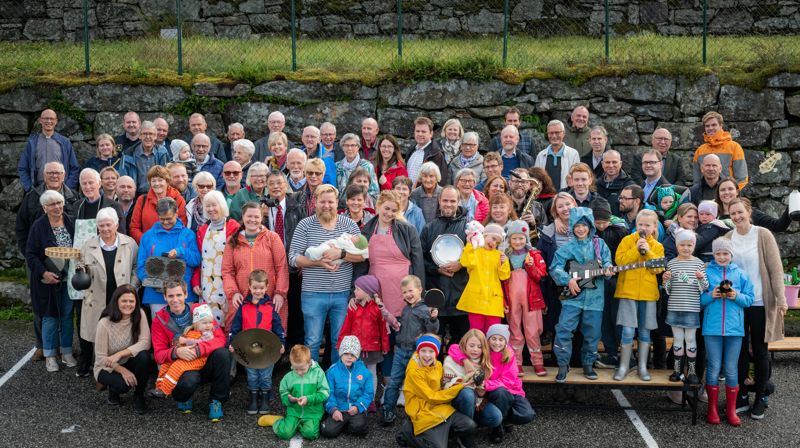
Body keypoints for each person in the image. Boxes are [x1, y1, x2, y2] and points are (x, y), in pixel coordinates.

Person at [724, 198, 787, 420]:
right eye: (732, 214)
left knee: (760, 351)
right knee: (738, 350)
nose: (737, 217)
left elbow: (775, 269)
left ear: (749, 212)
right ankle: (741, 394)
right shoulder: (728, 238)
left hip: (760, 301)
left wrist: (781, 299)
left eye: (740, 212)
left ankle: (760, 397)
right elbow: (721, 266)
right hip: (737, 303)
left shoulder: (763, 235)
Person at [289, 185, 363, 364]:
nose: (327, 205)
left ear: (338, 203)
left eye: (331, 201)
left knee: (339, 341)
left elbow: (363, 254)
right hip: (313, 293)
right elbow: (292, 258)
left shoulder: (349, 225)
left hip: (342, 293)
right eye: (322, 201)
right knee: (313, 341)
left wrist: (341, 254)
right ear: (315, 202)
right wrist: (317, 262)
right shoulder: (305, 225)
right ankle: (312, 381)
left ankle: (336, 381)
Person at [151, 280, 230, 421]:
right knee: (188, 382)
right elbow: (158, 355)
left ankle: (216, 401)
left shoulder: (199, 311)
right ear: (164, 297)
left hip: (204, 360)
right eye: (170, 296)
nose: (175, 300)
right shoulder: (159, 320)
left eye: (179, 295)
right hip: (183, 366)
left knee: (223, 354)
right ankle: (184, 397)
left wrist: (200, 349)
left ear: (186, 294)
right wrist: (176, 352)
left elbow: (220, 339)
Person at [550, 207, 613, 382]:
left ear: (590, 226)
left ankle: (588, 365)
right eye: (577, 225)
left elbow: (607, 263)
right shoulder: (567, 248)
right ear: (572, 226)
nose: (580, 229)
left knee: (592, 333)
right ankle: (563, 365)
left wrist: (608, 270)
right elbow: (555, 268)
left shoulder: (599, 245)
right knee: (564, 330)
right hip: (572, 299)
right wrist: (568, 279)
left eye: (584, 225)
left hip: (595, 299)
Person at [77, 207, 138, 378]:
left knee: (120, 334)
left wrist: (132, 288)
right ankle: (101, 373)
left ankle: (119, 370)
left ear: (116, 224)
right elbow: (81, 270)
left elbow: (135, 268)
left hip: (121, 298)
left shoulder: (130, 243)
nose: (105, 229)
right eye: (101, 225)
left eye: (108, 225)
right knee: (99, 336)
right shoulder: (88, 245)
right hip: (97, 298)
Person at [701, 238, 754, 426]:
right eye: (718, 253)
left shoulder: (741, 274)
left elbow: (749, 300)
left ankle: (731, 410)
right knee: (714, 367)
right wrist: (710, 295)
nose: (722, 257)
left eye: (725, 253)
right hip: (712, 328)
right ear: (713, 255)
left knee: (731, 370)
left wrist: (735, 295)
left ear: (731, 255)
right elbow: (698, 300)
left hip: (734, 329)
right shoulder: (706, 273)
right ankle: (712, 409)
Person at [25, 190, 76, 373]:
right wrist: (44, 273)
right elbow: (30, 255)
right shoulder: (39, 226)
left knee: (67, 316)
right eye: (52, 204)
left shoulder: (70, 221)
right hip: (48, 282)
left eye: (59, 202)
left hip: (68, 279)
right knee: (50, 317)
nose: (57, 207)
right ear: (45, 207)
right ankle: (50, 355)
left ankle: (67, 352)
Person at [395, 334, 476, 448]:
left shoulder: (437, 364)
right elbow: (431, 397)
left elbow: (441, 385)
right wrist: (459, 387)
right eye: (423, 351)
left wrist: (458, 381)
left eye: (431, 351)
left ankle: (446, 436)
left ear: (436, 353)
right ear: (418, 351)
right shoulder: (414, 371)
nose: (427, 355)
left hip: (440, 409)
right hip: (423, 412)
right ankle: (408, 433)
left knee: (470, 425)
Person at [613, 210, 664, 382]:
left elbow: (657, 268)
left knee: (644, 331)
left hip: (648, 295)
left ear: (654, 227)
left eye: (647, 225)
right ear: (636, 225)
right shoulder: (627, 241)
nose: (643, 228)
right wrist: (636, 249)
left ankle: (642, 367)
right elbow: (620, 262)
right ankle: (624, 366)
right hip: (628, 291)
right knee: (627, 330)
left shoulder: (657, 246)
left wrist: (648, 251)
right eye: (640, 224)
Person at [381, 275, 439, 425]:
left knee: (415, 384)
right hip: (400, 351)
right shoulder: (406, 309)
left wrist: (433, 319)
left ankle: (416, 412)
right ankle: (388, 409)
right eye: (404, 292)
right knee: (394, 382)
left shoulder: (427, 310)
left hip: (416, 353)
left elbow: (432, 331)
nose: (408, 295)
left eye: (410, 291)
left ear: (420, 290)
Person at [223, 201, 289, 331]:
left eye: (256, 217)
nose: (252, 220)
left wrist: (280, 292)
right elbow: (227, 271)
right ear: (243, 217)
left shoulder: (272, 238)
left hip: (267, 295)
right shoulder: (233, 240)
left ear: (261, 218)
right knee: (242, 335)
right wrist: (233, 293)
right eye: (249, 216)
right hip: (243, 296)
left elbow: (281, 267)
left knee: (268, 333)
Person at [228, 269, 286, 415]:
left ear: (266, 287)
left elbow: (279, 327)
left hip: (268, 349)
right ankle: (253, 399)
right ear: (249, 286)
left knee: (265, 375)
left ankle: (265, 399)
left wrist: (282, 343)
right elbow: (235, 326)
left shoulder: (271, 307)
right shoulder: (243, 306)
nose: (258, 291)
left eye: (261, 288)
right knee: (252, 375)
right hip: (249, 349)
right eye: (255, 288)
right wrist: (231, 342)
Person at [420, 187, 469, 345]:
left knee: (462, 345)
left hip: (461, 297)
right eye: (445, 200)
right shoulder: (429, 228)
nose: (448, 204)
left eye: (452, 201)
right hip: (437, 298)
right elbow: (421, 259)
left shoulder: (469, 228)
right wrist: (436, 269)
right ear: (439, 201)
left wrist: (461, 264)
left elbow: (477, 257)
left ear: (458, 202)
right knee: (435, 344)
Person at [93, 284, 152, 414]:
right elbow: (101, 358)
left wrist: (120, 354)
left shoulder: (139, 314)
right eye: (124, 301)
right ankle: (113, 391)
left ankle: (139, 395)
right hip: (106, 367)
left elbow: (145, 342)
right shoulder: (105, 323)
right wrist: (121, 369)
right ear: (116, 301)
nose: (128, 304)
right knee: (123, 386)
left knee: (144, 357)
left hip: (127, 359)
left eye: (131, 301)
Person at [137, 198, 201, 317]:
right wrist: (153, 282)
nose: (166, 222)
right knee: (160, 331)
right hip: (156, 295)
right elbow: (141, 265)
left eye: (169, 219)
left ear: (177, 213)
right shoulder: (148, 236)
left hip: (183, 294)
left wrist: (181, 252)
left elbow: (197, 260)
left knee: (186, 331)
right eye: (162, 219)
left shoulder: (188, 234)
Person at [188, 190, 240, 329]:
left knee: (229, 317)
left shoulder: (233, 227)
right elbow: (200, 259)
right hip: (208, 284)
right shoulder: (202, 229)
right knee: (209, 321)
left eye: (214, 205)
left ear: (222, 205)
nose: (211, 209)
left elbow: (239, 258)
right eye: (208, 206)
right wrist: (195, 281)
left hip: (227, 281)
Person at [662, 229, 707, 384]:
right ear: (676, 245)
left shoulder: (699, 264)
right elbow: (668, 289)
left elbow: (705, 287)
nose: (686, 248)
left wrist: (701, 279)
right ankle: (677, 371)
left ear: (694, 246)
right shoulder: (672, 264)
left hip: (692, 308)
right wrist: (666, 280)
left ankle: (692, 372)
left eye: (689, 245)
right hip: (674, 307)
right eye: (682, 245)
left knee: (690, 339)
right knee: (678, 339)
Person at [503, 220, 548, 376]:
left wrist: (530, 266)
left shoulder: (534, 254)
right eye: (514, 238)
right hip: (511, 296)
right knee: (514, 328)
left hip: (530, 297)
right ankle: (516, 362)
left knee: (532, 330)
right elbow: (501, 279)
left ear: (527, 238)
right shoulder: (505, 256)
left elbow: (540, 275)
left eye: (521, 238)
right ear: (509, 239)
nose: (518, 242)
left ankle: (538, 362)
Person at [337, 275, 389, 407]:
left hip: (373, 347)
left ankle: (370, 400)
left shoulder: (377, 308)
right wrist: (341, 344)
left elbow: (383, 328)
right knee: (355, 372)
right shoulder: (353, 307)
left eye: (358, 289)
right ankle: (356, 398)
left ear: (367, 292)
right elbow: (346, 326)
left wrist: (385, 345)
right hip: (356, 348)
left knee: (371, 373)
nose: (354, 291)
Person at [257, 345, 329, 441]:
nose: (299, 372)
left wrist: (309, 399)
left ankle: (293, 425)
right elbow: (283, 392)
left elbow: (325, 392)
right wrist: (289, 399)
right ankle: (278, 421)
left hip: (313, 413)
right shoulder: (288, 377)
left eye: (302, 369)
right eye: (295, 369)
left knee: (310, 434)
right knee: (284, 434)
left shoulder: (319, 373)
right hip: (294, 412)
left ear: (309, 363)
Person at [443, 330, 504, 442]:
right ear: (464, 344)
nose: (475, 349)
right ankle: (465, 433)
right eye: (471, 345)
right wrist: (465, 381)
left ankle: (465, 424)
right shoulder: (451, 360)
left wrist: (481, 386)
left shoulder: (485, 362)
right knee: (467, 393)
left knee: (496, 417)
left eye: (479, 347)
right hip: (456, 400)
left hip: (477, 401)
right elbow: (446, 384)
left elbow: (482, 392)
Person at [536, 192, 577, 338]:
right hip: (557, 287)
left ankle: (579, 361)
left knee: (579, 327)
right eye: (560, 206)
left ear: (574, 205)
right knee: (559, 325)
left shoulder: (585, 227)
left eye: (568, 204)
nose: (565, 208)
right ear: (555, 211)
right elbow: (543, 263)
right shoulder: (549, 232)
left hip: (582, 284)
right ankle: (559, 360)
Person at [483, 324, 536, 439]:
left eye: (501, 339)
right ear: (488, 339)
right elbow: (455, 348)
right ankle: (497, 426)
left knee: (527, 414)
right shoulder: (483, 351)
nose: (497, 343)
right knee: (501, 392)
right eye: (494, 338)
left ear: (505, 341)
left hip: (511, 390)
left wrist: (486, 384)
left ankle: (505, 419)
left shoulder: (509, 354)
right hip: (495, 392)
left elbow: (508, 381)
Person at [457, 223, 510, 333]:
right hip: (476, 301)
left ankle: (493, 351)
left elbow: (504, 276)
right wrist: (470, 244)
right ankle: (476, 350)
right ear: (484, 236)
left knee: (494, 332)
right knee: (476, 332)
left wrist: (504, 263)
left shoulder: (499, 255)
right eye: (493, 238)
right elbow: (466, 262)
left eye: (497, 242)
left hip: (493, 303)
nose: (494, 243)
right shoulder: (474, 251)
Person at [155, 304, 216, 396]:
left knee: (177, 366)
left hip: (197, 359)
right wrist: (178, 343)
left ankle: (165, 390)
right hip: (185, 354)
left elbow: (199, 342)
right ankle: (159, 386)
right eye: (204, 323)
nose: (208, 325)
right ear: (196, 324)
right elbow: (180, 341)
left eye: (210, 322)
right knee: (166, 364)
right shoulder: (190, 331)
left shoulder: (208, 334)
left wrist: (186, 341)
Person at [320, 336, 374, 438]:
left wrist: (358, 407)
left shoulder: (365, 372)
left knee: (361, 428)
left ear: (357, 356)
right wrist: (333, 410)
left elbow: (368, 393)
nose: (349, 357)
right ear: (340, 354)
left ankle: (345, 425)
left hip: (354, 409)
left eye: (352, 354)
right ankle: (342, 423)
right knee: (327, 431)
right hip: (338, 408)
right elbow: (328, 393)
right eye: (346, 353)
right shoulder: (332, 371)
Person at [18, 109, 80, 192]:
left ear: (56, 121)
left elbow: (74, 168)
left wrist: (67, 188)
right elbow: (23, 167)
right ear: (40, 120)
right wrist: (29, 188)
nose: (49, 121)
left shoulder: (65, 142)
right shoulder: (32, 143)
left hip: (60, 190)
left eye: (51, 119)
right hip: (38, 190)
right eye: (45, 118)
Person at [128, 166, 187, 243]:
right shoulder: (142, 200)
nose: (157, 184)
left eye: (160, 180)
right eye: (153, 181)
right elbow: (134, 227)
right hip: (147, 247)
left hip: (171, 247)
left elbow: (182, 226)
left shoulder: (178, 200)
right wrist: (147, 241)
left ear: (167, 181)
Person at [693, 111, 748, 190]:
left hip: (727, 196)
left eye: (714, 125)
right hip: (705, 197)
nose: (710, 128)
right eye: (707, 126)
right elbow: (696, 181)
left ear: (721, 125)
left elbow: (742, 179)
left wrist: (733, 196)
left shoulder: (734, 147)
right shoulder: (700, 150)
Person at [716, 178, 792, 232]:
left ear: (737, 192)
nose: (726, 192)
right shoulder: (712, 214)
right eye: (722, 190)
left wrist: (792, 205)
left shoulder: (750, 212)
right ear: (718, 194)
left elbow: (778, 226)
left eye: (730, 189)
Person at [122, 121, 170, 195]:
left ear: (155, 136)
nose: (148, 137)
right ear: (139, 136)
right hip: (136, 196)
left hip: (158, 194)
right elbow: (123, 178)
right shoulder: (129, 154)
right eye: (145, 134)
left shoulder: (162, 153)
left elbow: (167, 176)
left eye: (151, 134)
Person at [534, 120, 580, 191]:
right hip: (545, 197)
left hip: (565, 196)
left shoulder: (573, 154)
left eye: (557, 132)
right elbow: (536, 179)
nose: (554, 136)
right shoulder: (541, 155)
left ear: (563, 134)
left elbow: (576, 178)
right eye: (551, 133)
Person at [405, 117, 448, 186]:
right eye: (417, 131)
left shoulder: (436, 154)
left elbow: (441, 181)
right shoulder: (411, 151)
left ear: (431, 133)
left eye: (423, 132)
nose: (420, 134)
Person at [336, 133, 379, 201]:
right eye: (346, 145)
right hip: (340, 208)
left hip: (361, 206)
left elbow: (374, 192)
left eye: (353, 145)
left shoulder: (367, 166)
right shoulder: (337, 167)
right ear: (342, 147)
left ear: (358, 147)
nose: (349, 148)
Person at [596, 150, 634, 216]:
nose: (611, 165)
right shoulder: (596, 185)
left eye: (614, 162)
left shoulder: (630, 186)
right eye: (607, 162)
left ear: (620, 164)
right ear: (602, 164)